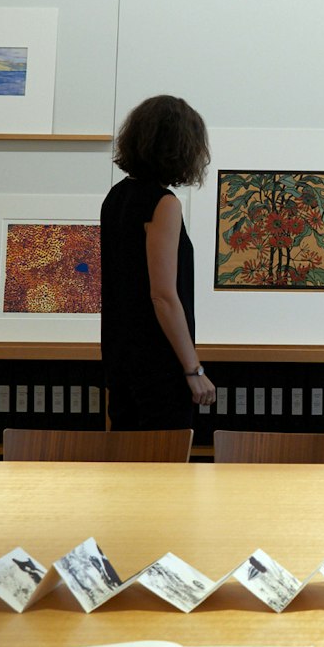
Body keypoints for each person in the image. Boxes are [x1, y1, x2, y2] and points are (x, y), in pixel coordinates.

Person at [101, 95, 217, 431]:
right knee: (165, 476)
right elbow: (163, 296)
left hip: (120, 362)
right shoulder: (163, 203)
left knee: (127, 473)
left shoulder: (116, 197)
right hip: (158, 368)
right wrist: (193, 370)